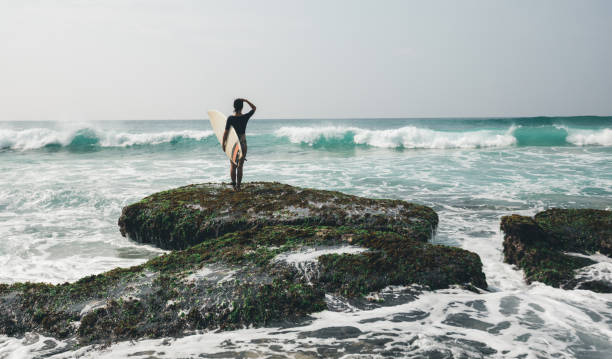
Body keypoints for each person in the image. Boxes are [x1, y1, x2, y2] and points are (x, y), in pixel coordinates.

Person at [222, 98, 256, 191]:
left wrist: (223, 144)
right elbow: (254, 108)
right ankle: (238, 186)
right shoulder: (245, 117)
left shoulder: (230, 118)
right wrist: (246, 100)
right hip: (243, 142)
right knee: (240, 165)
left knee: (233, 165)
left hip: (234, 143)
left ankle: (233, 184)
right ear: (242, 107)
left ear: (234, 106)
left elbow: (226, 133)